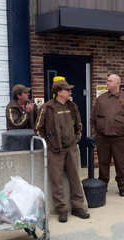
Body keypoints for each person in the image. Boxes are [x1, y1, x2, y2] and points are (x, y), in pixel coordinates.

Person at [35, 80, 90, 222]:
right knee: (57, 181)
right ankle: (62, 210)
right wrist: (49, 144)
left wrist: (77, 138)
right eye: (67, 90)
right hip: (55, 151)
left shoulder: (72, 106)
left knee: (75, 178)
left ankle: (78, 207)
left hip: (71, 148)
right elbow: (38, 129)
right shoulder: (47, 108)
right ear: (59, 92)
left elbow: (79, 124)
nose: (70, 92)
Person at [91, 74, 124, 197]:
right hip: (103, 138)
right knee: (103, 162)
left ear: (117, 83)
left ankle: (122, 186)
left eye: (109, 81)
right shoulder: (100, 99)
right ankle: (103, 184)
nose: (107, 83)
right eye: (107, 80)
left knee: (121, 163)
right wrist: (97, 133)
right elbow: (93, 118)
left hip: (121, 138)